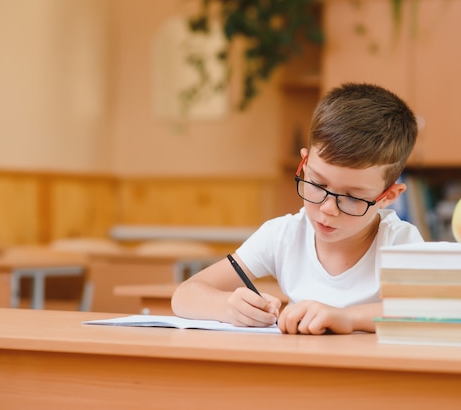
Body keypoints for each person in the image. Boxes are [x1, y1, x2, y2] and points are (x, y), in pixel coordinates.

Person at [171, 82, 423, 334]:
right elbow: (185, 295)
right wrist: (227, 306)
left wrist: (348, 318)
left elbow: (428, 310)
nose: (328, 209)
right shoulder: (283, 235)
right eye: (316, 183)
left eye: (353, 197)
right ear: (304, 162)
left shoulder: (399, 242)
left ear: (388, 196)